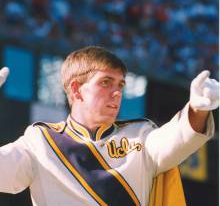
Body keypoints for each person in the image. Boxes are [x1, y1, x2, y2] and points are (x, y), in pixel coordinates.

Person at [0, 46, 218, 206]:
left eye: (121, 85)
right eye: (106, 82)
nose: (117, 92)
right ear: (76, 89)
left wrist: (198, 108)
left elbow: (177, 138)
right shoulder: (40, 140)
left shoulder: (141, 135)